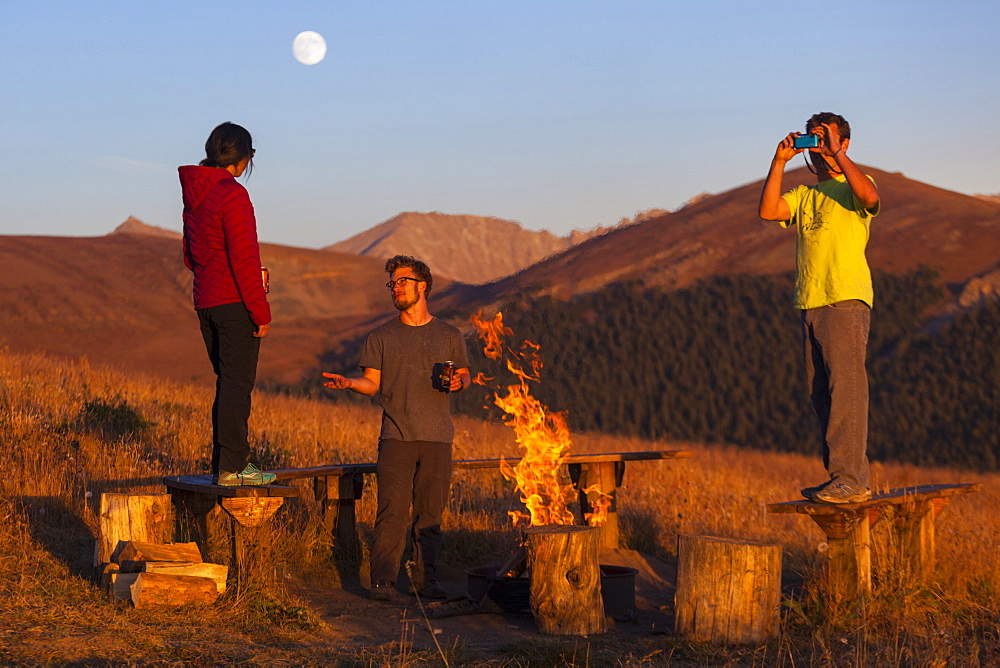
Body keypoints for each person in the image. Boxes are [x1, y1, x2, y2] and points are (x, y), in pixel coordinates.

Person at [322, 255, 471, 600]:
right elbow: (372, 383)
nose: (396, 289)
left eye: (403, 281)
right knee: (391, 511)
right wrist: (349, 383)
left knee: (430, 514)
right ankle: (383, 582)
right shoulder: (381, 336)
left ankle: (424, 581)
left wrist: (459, 384)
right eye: (393, 283)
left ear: (423, 286)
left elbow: (465, 375)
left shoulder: (450, 335)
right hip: (396, 437)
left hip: (437, 437)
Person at [758, 112, 880, 504]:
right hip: (810, 300)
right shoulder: (804, 195)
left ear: (843, 144)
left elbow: (871, 198)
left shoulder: (855, 186)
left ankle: (850, 480)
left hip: (844, 299)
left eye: (825, 140)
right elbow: (768, 211)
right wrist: (780, 160)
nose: (819, 148)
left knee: (846, 389)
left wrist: (837, 155)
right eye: (814, 141)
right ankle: (841, 478)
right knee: (821, 395)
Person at [179, 122, 275, 486]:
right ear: (243, 157)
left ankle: (225, 466)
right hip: (235, 301)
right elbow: (244, 258)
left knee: (227, 383)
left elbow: (190, 256)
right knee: (238, 384)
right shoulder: (232, 195)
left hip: (205, 301)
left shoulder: (194, 195)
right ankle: (234, 468)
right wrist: (260, 311)